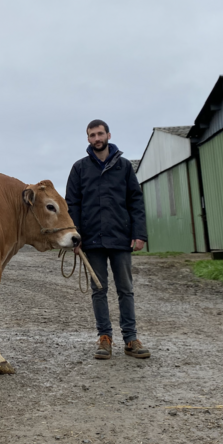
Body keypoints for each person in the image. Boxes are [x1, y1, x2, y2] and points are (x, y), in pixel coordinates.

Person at [65, 119, 150, 360]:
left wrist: (139, 234)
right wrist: (76, 237)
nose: (96, 138)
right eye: (92, 135)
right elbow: (73, 204)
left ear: (108, 135)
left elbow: (135, 201)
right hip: (92, 240)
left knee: (126, 289)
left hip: (121, 238)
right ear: (88, 139)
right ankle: (105, 338)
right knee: (98, 290)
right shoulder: (79, 168)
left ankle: (131, 338)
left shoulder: (124, 167)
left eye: (100, 134)